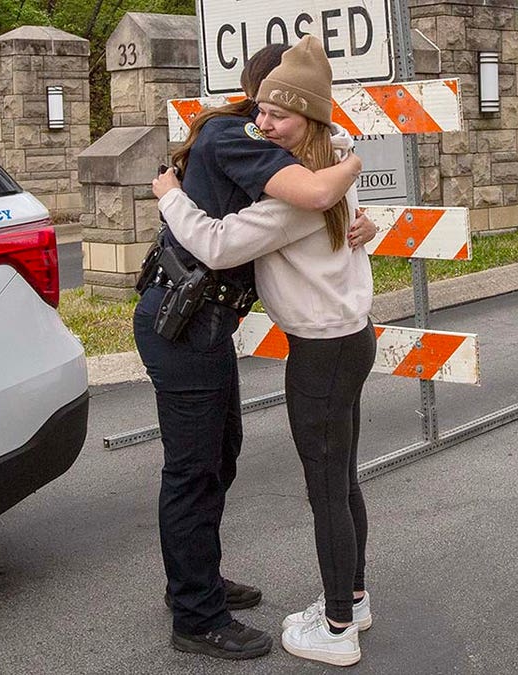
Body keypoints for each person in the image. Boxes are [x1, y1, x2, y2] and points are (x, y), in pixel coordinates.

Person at [134, 42, 373, 660]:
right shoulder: (293, 157)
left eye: (274, 112)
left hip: (308, 344)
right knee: (202, 468)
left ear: (305, 115)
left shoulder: (308, 183)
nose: (259, 123)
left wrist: (167, 194)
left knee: (291, 474)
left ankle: (335, 619)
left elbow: (236, 235)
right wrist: (349, 173)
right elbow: (321, 185)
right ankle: (198, 610)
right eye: (259, 108)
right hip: (195, 322)